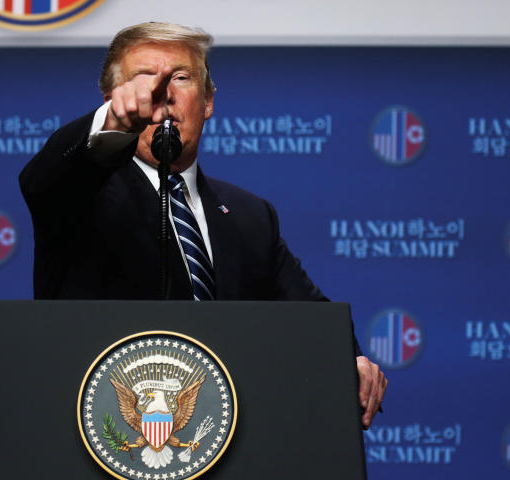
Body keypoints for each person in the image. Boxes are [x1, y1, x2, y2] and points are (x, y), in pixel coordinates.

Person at [19, 22, 386, 427]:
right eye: (144, 79)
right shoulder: (80, 194)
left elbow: (312, 318)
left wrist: (350, 359)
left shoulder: (251, 216)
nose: (162, 93)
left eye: (180, 77)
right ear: (113, 99)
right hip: (103, 433)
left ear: (208, 101)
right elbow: (44, 178)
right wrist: (109, 122)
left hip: (222, 437)